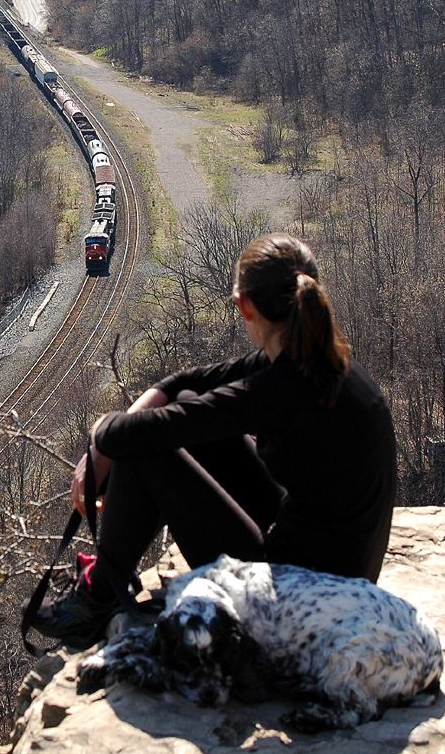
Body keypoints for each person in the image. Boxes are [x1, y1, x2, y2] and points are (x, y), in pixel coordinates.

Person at [31, 233, 397, 648]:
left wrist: (99, 445)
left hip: (299, 603)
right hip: (338, 578)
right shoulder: (316, 361)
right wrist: (105, 449)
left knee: (143, 447)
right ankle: (102, 585)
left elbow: (127, 434)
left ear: (244, 306)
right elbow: (184, 385)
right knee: (178, 408)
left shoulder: (280, 388)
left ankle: (95, 600)